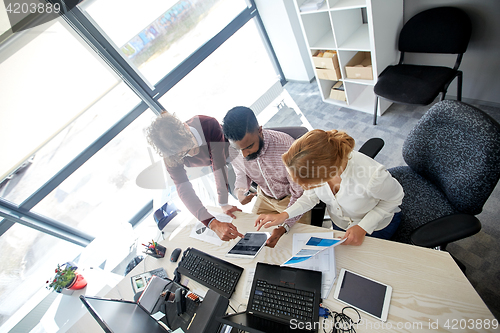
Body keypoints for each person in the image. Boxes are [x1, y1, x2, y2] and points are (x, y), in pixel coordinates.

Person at [255, 129, 404, 246]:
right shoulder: (320, 168)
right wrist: (284, 215)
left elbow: (395, 199)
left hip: (377, 225)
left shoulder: (373, 176)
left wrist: (363, 227)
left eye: (310, 183)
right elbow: (310, 197)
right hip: (341, 223)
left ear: (328, 172)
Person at [222, 106, 310, 248]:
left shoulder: (287, 147)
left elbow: (300, 194)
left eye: (249, 146)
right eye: (239, 149)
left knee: (293, 245)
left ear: (260, 130)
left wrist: (283, 227)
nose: (244, 155)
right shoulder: (233, 149)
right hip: (264, 197)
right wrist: (240, 191)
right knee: (249, 239)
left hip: (292, 198)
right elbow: (241, 174)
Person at [146, 112, 243, 241]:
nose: (191, 154)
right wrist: (212, 223)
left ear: (186, 127)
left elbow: (218, 165)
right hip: (217, 165)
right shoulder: (172, 156)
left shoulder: (208, 125)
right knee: (241, 196)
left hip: (234, 150)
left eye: (190, 146)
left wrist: (223, 202)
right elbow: (184, 190)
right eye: (184, 154)